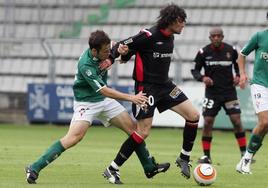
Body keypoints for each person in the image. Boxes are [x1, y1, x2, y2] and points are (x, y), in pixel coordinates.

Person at [25, 30, 170, 184]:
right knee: (74, 138)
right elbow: (104, 90)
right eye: (105, 51)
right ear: (94, 51)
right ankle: (34, 167)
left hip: (103, 101)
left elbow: (118, 47)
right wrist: (131, 98)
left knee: (134, 130)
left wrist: (122, 51)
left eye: (109, 49)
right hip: (86, 103)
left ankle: (149, 167)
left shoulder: (105, 48)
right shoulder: (86, 65)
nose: (108, 52)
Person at [103, 4, 200, 183]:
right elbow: (123, 45)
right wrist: (115, 57)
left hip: (165, 86)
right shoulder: (148, 35)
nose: (183, 25)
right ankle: (112, 169)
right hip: (146, 89)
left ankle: (184, 158)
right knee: (143, 131)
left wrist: (127, 55)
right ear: (171, 20)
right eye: (181, 21)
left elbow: (137, 52)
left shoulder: (171, 37)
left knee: (193, 115)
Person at [191, 27, 247, 164]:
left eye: (218, 36)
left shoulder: (231, 50)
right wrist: (202, 78)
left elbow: (239, 66)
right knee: (208, 122)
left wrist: (238, 76)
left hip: (229, 92)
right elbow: (195, 70)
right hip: (212, 93)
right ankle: (207, 156)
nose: (216, 38)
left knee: (237, 121)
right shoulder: (203, 52)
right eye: (213, 36)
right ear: (210, 38)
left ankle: (244, 155)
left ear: (222, 37)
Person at [236, 13, 268, 174]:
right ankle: (246, 160)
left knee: (266, 126)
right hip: (260, 85)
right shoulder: (260, 36)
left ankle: (245, 159)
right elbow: (241, 55)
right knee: (264, 122)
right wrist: (242, 74)